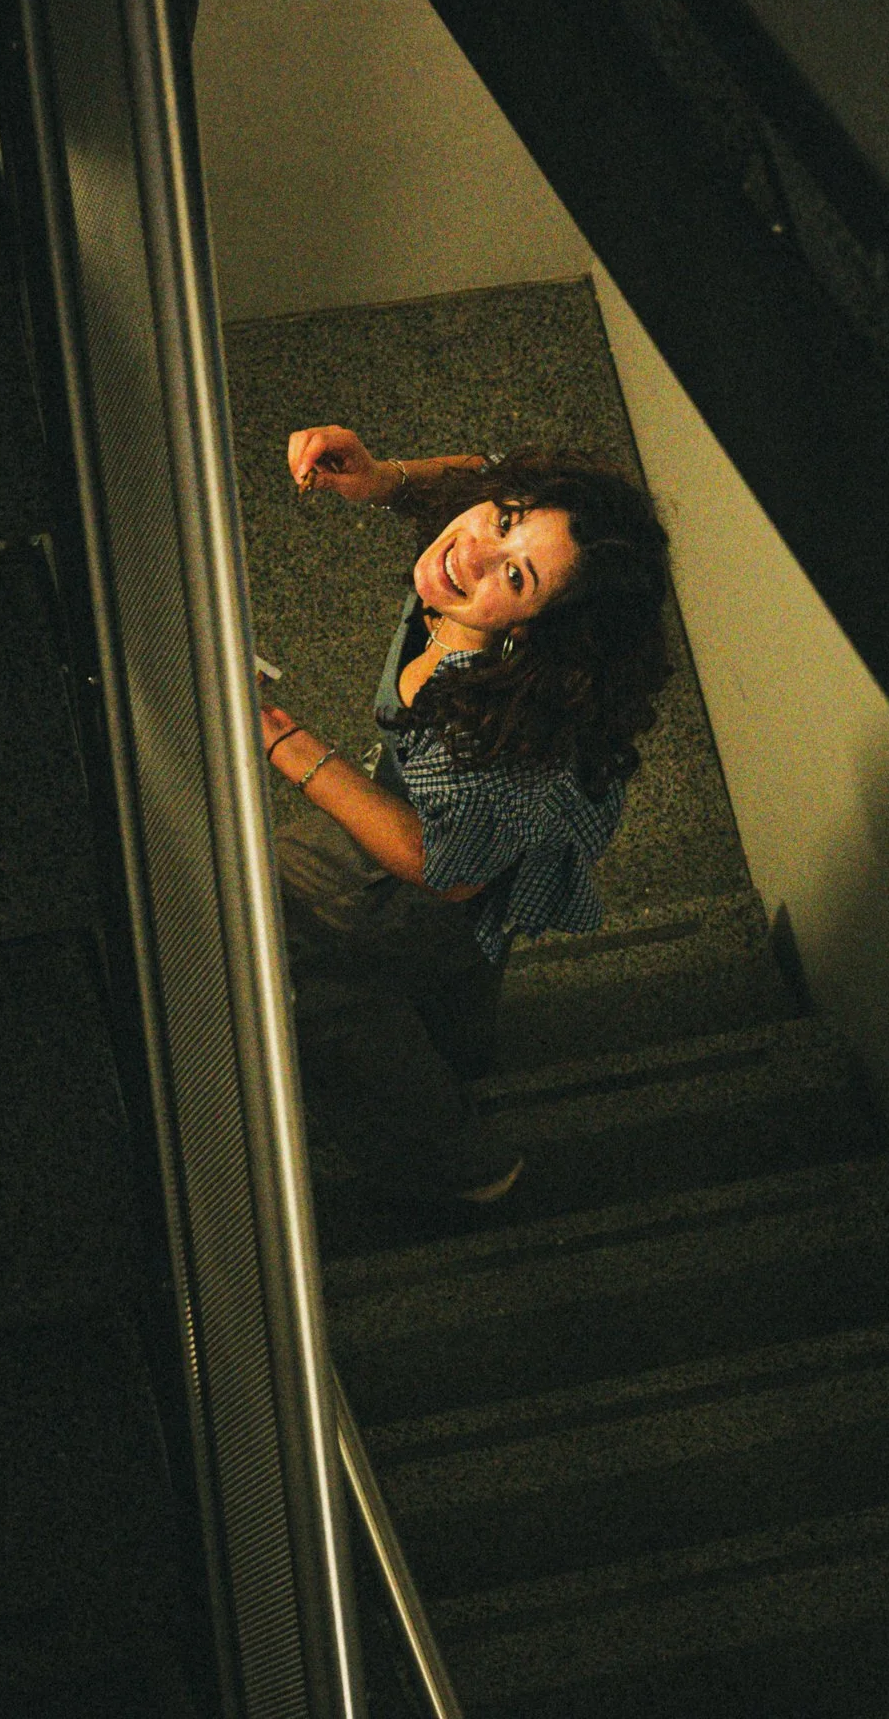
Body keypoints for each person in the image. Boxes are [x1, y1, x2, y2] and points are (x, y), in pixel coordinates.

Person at [259, 424, 671, 1206]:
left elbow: (449, 874)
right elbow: (481, 476)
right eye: (507, 517)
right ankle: (458, 1046)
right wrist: (385, 478)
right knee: (452, 972)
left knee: (294, 965)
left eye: (513, 576)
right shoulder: (488, 553)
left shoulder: (482, 728)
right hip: (476, 832)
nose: (471, 551)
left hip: (436, 858)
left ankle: (465, 1168)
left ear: (527, 630)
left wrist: (286, 746)